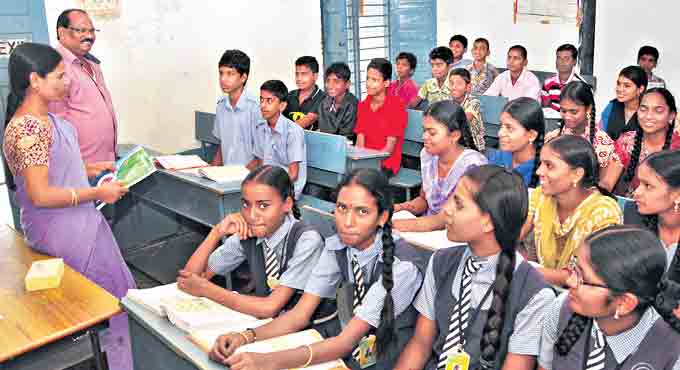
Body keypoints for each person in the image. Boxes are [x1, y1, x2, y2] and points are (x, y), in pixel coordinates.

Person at [209, 168, 430, 370]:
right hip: (352, 343)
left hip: (390, 354)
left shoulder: (402, 267)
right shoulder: (338, 246)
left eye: (362, 212)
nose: (348, 222)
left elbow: (345, 342)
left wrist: (268, 361)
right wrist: (245, 337)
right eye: (342, 208)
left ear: (382, 217)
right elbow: (300, 314)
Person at [3, 42, 134, 370]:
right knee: (111, 301)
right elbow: (41, 194)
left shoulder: (49, 119)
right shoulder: (27, 129)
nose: (68, 82)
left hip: (79, 222)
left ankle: (120, 357)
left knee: (119, 295)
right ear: (35, 80)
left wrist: (94, 168)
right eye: (60, 77)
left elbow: (60, 165)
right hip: (62, 230)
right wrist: (96, 194)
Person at [393, 165, 554, 370]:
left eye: (458, 204)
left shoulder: (533, 293)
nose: (447, 210)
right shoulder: (441, 261)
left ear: (488, 222)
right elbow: (420, 344)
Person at [178, 165, 337, 331]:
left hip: (312, 333)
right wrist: (216, 232)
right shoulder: (250, 232)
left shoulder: (307, 240)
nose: (252, 215)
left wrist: (206, 289)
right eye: (246, 205)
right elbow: (189, 279)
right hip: (270, 325)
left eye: (263, 206)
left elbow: (270, 307)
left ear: (287, 204)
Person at [538, 225, 680, 370]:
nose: (570, 281)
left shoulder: (672, 351)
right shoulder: (562, 307)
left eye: (582, 278)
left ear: (624, 303)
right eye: (575, 267)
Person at [520, 135, 622, 286]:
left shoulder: (603, 212)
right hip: (543, 287)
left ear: (577, 174)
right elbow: (517, 235)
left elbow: (584, 277)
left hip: (583, 298)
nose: (539, 171)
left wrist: (522, 270)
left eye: (549, 165)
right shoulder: (541, 196)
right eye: (541, 163)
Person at [394, 100, 487, 229]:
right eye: (424, 130)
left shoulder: (473, 165)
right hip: (429, 229)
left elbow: (443, 218)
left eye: (432, 133)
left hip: (457, 232)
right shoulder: (427, 156)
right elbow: (424, 200)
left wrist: (392, 224)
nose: (424, 136)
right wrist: (399, 208)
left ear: (454, 136)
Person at [49, 9, 118, 164]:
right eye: (81, 30)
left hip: (107, 162)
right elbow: (56, 125)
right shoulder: (55, 66)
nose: (90, 36)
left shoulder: (92, 64)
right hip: (80, 169)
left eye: (92, 31)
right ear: (62, 32)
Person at [545, 81, 626, 191]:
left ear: (588, 109)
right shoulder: (554, 138)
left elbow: (604, 187)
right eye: (563, 111)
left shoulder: (603, 144)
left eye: (573, 112)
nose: (567, 117)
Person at [247, 80, 306, 199]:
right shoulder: (261, 128)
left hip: (286, 189)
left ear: (282, 106)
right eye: (261, 100)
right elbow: (258, 161)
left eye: (269, 101)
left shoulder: (293, 132)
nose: (263, 105)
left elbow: (293, 175)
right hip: (266, 184)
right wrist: (237, 174)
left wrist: (269, 190)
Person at [615, 88, 680, 196]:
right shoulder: (625, 141)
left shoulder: (677, 148)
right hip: (630, 206)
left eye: (658, 110)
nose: (649, 116)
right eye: (643, 109)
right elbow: (607, 182)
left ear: (671, 115)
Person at [625, 150, 680, 270]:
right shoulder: (631, 216)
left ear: (677, 195)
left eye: (648, 186)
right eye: (639, 183)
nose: (636, 192)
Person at [355, 58, 408, 177]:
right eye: (368, 78)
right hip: (365, 161)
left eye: (374, 80)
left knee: (361, 181)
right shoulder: (363, 105)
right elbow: (360, 139)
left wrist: (368, 164)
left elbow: (389, 148)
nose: (369, 83)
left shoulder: (396, 106)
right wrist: (360, 160)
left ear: (386, 83)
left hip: (386, 162)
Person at [211, 49, 260, 166]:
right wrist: (211, 171)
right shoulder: (221, 106)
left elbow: (262, 155)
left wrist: (242, 176)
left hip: (250, 177)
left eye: (230, 74)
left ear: (243, 77)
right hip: (227, 175)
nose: (223, 79)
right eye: (221, 73)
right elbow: (222, 145)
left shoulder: (256, 108)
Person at [487, 97, 544, 187]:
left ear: (531, 135)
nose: (500, 133)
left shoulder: (542, 172)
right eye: (501, 126)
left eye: (509, 128)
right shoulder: (500, 156)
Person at [600, 66, 647, 141]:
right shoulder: (611, 106)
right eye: (618, 84)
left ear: (640, 89)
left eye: (627, 86)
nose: (619, 89)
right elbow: (601, 137)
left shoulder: (648, 112)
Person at [316, 62, 358, 140]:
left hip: (347, 148)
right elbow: (324, 132)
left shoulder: (352, 106)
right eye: (328, 81)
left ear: (347, 84)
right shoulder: (323, 104)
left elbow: (346, 138)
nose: (330, 86)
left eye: (336, 81)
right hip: (328, 145)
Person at [283, 56, 326, 130]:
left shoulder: (323, 98)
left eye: (304, 74)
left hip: (311, 141)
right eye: (297, 74)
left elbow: (307, 120)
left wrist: (281, 130)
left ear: (315, 76)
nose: (299, 78)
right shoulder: (290, 95)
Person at [541, 44, 587, 112]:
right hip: (552, 120)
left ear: (574, 62)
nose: (562, 62)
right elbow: (545, 107)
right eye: (559, 58)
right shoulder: (548, 83)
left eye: (566, 58)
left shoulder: (581, 86)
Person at [449, 68, 485, 151]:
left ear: (468, 87)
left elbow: (464, 119)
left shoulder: (474, 102)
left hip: (474, 146)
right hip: (455, 143)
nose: (454, 87)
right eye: (451, 83)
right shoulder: (448, 101)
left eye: (459, 83)